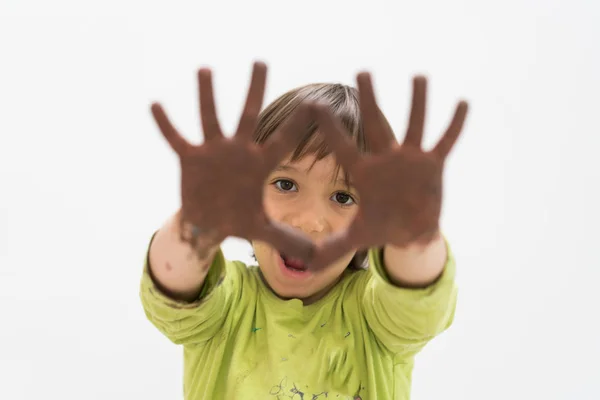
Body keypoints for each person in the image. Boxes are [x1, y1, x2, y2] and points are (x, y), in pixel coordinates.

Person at [140, 61, 468, 399]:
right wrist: (200, 214)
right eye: (286, 184)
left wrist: (411, 223)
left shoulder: (376, 318)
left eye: (343, 197)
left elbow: (418, 295)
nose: (310, 221)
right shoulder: (226, 304)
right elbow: (173, 283)